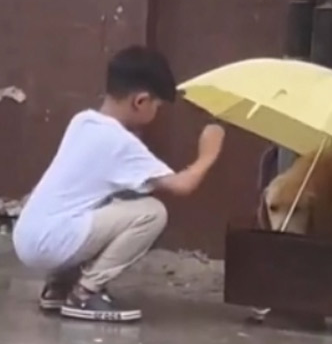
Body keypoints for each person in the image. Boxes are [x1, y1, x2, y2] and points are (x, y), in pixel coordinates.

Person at [12, 45, 226, 322]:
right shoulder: (119, 142)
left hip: (28, 235)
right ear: (140, 101)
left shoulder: (83, 121)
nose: (156, 113)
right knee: (151, 213)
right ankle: (85, 294)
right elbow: (182, 186)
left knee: (110, 201)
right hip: (50, 242)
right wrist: (209, 153)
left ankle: (58, 287)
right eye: (157, 106)